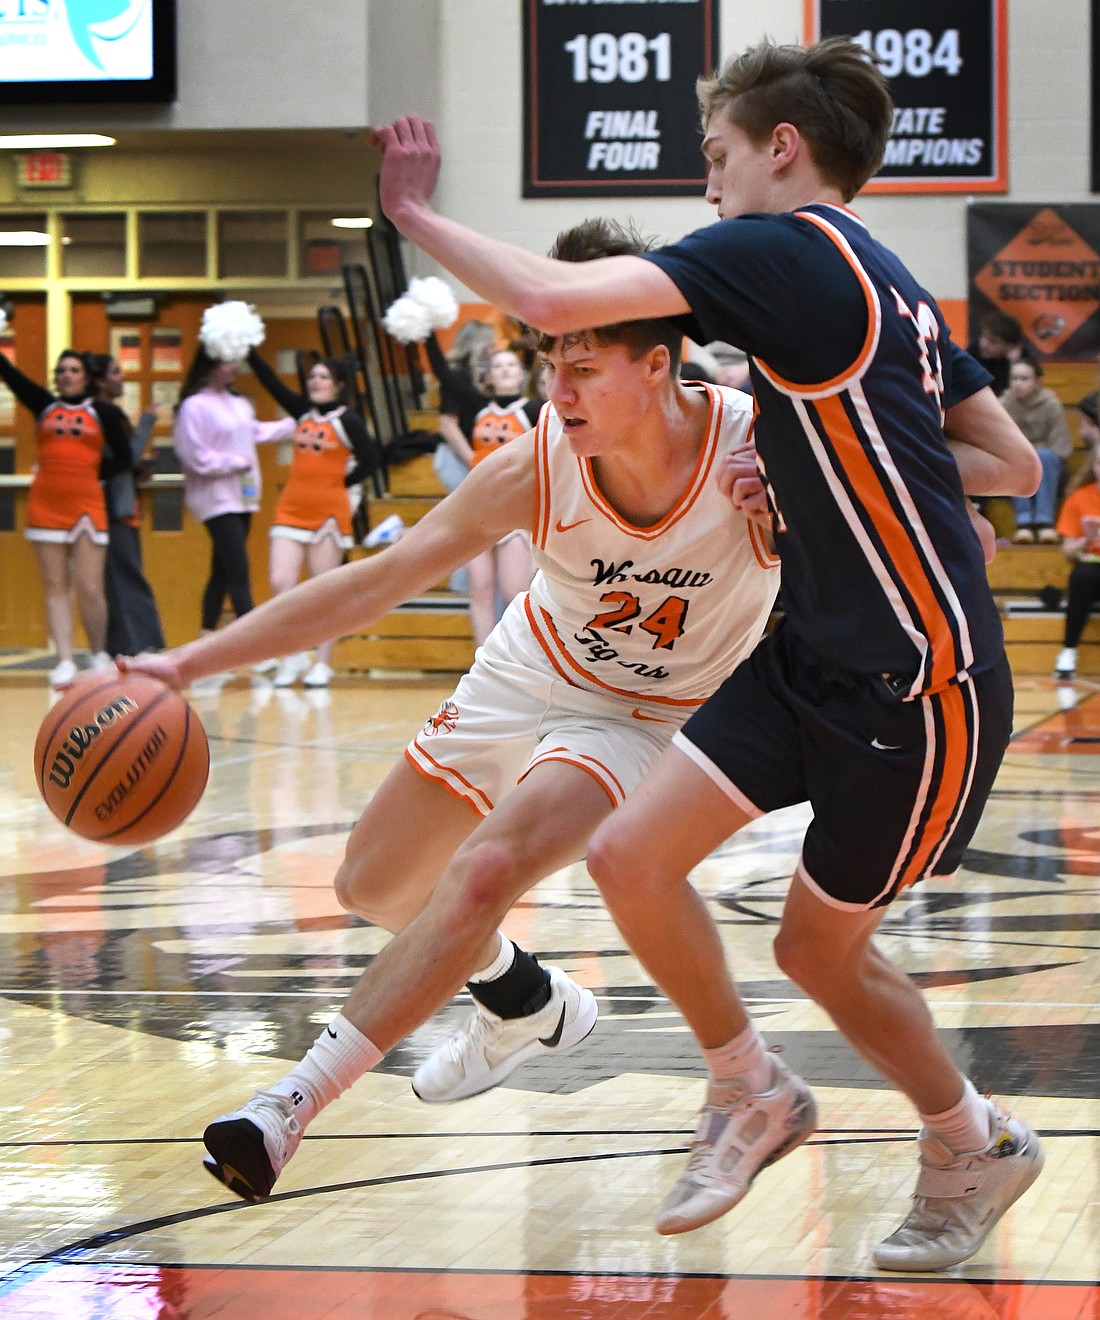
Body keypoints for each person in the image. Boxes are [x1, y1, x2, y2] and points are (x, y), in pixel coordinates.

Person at [367, 34, 1044, 1273]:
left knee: (812, 949)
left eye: (717, 156)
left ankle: (972, 1140)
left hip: (915, 680)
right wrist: (824, 467)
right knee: (628, 855)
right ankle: (750, 1087)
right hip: (809, 651)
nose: (709, 186)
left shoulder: (786, 247)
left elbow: (560, 301)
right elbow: (1010, 464)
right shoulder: (886, 279)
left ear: (781, 149)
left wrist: (411, 210)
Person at [119, 215, 783, 1202]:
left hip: (642, 716)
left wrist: (938, 544)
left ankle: (282, 1112)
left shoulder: (761, 454)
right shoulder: (535, 460)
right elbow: (371, 583)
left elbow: (943, 481)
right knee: (374, 889)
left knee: (480, 870)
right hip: (526, 667)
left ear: (657, 365)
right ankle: (523, 998)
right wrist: (186, 663)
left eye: (582, 366)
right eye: (549, 357)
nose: (557, 390)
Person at [246, 348, 384, 688]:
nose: (315, 382)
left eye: (323, 377)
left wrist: (340, 483)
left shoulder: (348, 421)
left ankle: (322, 662)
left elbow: (373, 459)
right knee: (280, 582)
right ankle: (292, 656)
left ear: (338, 385)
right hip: (291, 508)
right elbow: (272, 384)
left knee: (324, 591)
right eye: (312, 377)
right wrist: (249, 351)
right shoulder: (302, 412)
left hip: (329, 514)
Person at [0, 347, 132, 687]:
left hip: (87, 505)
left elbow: (126, 456)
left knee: (89, 586)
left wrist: (93, 472)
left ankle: (98, 652)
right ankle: (64, 659)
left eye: (73, 370)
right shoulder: (44, 405)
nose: (66, 375)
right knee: (55, 585)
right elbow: (11, 376)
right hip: (46, 505)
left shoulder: (101, 411)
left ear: (86, 377)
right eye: (61, 370)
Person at [172, 347, 294, 647]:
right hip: (215, 499)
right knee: (238, 568)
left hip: (242, 496)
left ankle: (205, 637)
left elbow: (253, 432)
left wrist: (293, 423)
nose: (232, 367)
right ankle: (255, 644)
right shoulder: (194, 406)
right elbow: (193, 454)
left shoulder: (238, 404)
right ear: (210, 364)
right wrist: (232, 462)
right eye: (226, 361)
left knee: (223, 570)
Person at [84, 353, 166, 657]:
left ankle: (127, 646)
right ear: (101, 381)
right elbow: (124, 456)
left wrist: (136, 469)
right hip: (112, 509)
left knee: (120, 577)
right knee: (124, 578)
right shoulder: (105, 413)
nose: (124, 378)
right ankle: (139, 646)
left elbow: (120, 462)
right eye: (116, 373)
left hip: (121, 505)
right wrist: (146, 422)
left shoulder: (107, 413)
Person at [464, 347, 541, 645]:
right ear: (489, 376)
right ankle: (481, 664)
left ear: (522, 374)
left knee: (514, 594)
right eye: (498, 366)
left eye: (511, 364)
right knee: (480, 591)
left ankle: (514, 664)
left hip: (515, 510)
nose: (506, 370)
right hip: (478, 509)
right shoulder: (478, 412)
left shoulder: (535, 410)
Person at [997, 358, 1072, 543]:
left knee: (1044, 456)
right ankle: (1024, 525)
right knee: (1018, 459)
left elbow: (1060, 448)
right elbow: (998, 443)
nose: (1018, 384)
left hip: (1050, 466)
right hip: (1014, 465)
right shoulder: (1002, 404)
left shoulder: (1051, 403)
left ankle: (1044, 523)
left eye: (1024, 378)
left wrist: (1034, 455)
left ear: (1038, 382)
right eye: (1014, 378)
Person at [1053, 392, 1100, 680]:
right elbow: (1068, 553)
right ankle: (1068, 650)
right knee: (1082, 575)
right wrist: (1086, 538)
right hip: (1094, 568)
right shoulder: (1080, 498)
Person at [969, 311, 1026, 396]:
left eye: (993, 341)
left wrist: (1014, 365)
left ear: (1010, 347)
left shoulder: (1022, 361)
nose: (984, 344)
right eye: (984, 336)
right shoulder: (972, 352)